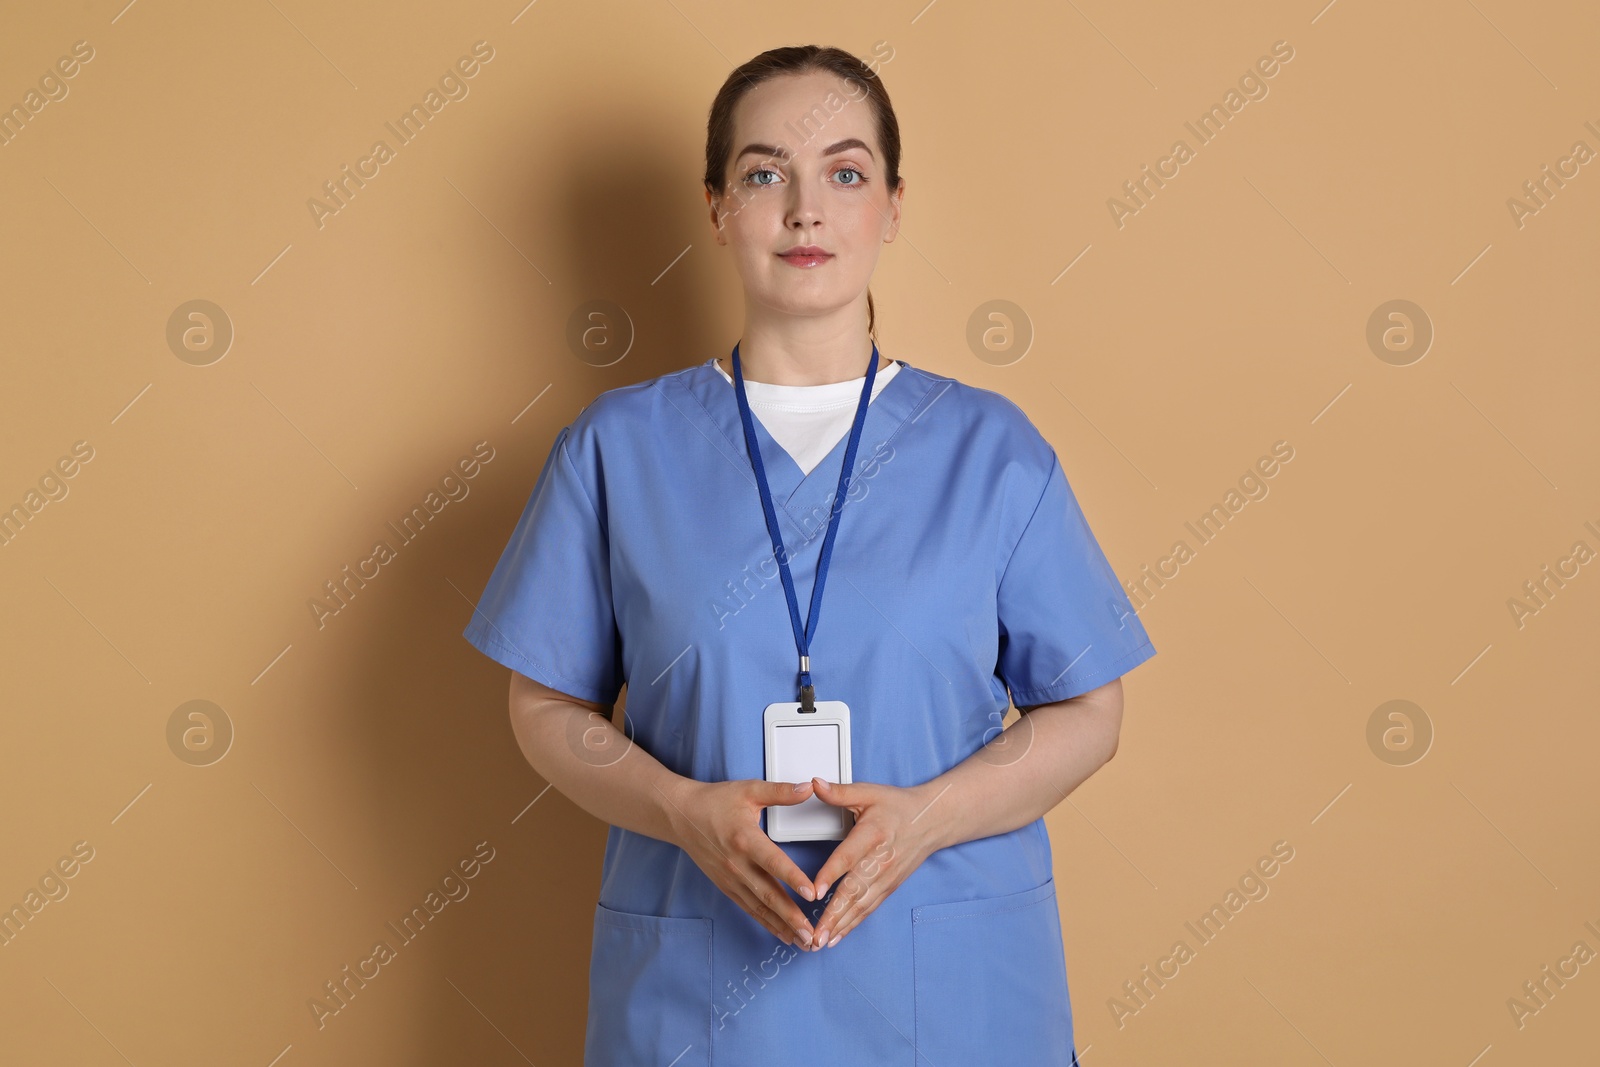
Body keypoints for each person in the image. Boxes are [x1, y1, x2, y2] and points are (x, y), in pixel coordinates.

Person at [462, 43, 1157, 1067]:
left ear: (892, 203)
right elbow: (544, 707)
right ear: (714, 207)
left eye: (843, 172)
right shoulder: (617, 450)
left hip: (952, 991)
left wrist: (929, 816)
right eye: (761, 174)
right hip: (704, 999)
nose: (804, 209)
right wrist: (680, 808)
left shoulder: (990, 449)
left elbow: (1088, 708)